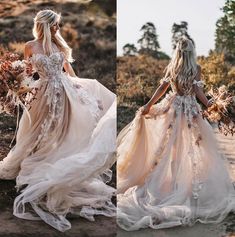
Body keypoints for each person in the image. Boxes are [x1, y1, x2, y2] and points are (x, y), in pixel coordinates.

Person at [0, 9, 116, 232]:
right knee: (39, 130)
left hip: (64, 93)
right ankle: (38, 159)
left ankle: (56, 160)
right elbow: (28, 71)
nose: (58, 29)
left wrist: (84, 91)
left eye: (58, 26)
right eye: (56, 25)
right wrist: (15, 84)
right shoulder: (30, 46)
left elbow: (69, 72)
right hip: (42, 94)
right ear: (46, 25)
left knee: (61, 129)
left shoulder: (59, 46)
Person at [117, 37, 235, 231]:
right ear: (192, 51)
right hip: (189, 111)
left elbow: (162, 89)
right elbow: (198, 92)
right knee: (192, 148)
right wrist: (211, 106)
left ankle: (173, 185)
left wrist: (148, 105)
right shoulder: (195, 68)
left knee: (170, 148)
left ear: (178, 51)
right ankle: (182, 186)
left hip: (174, 108)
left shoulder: (173, 67)